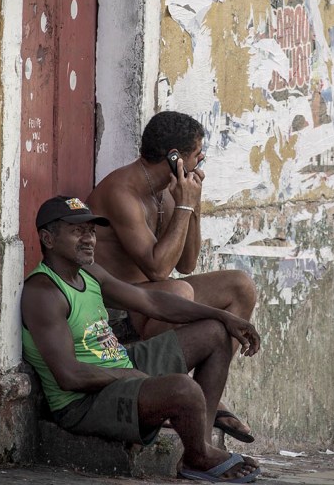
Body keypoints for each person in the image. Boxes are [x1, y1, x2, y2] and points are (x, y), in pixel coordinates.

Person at [21, 196, 261, 483]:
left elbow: (151, 301)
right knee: (182, 388)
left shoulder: (88, 271)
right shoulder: (44, 292)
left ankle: (201, 446)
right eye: (77, 231)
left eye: (91, 231)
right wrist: (129, 376)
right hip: (84, 402)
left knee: (214, 332)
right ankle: (199, 458)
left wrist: (224, 317)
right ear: (48, 239)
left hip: (119, 367)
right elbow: (69, 376)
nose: (88, 239)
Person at [86, 111, 258, 443]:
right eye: (198, 155)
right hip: (118, 310)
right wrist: (183, 207)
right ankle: (170, 390)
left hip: (154, 300)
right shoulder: (122, 191)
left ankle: (205, 414)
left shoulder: (166, 191)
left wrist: (192, 206)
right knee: (179, 292)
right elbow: (159, 269)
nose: (201, 163)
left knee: (240, 286)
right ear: (175, 157)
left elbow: (189, 262)